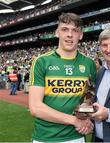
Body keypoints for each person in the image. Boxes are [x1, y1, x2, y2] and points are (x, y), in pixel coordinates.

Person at [29, 12, 96, 142]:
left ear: (81, 35)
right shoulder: (41, 61)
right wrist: (75, 121)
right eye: (65, 29)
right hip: (46, 137)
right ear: (57, 33)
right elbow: (35, 107)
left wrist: (87, 119)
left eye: (75, 30)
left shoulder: (89, 64)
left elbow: (89, 98)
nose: (69, 35)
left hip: (76, 137)